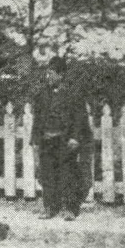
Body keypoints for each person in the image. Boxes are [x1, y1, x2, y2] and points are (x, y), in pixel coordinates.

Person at [33, 57, 91, 221]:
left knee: (68, 174)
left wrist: (75, 138)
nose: (48, 77)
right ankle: (49, 208)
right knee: (47, 175)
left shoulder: (73, 94)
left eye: (51, 74)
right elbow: (37, 118)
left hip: (64, 141)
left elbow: (80, 118)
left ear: (61, 75)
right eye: (47, 73)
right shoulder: (42, 94)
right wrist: (36, 139)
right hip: (46, 140)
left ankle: (69, 209)